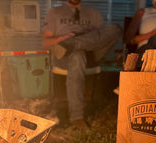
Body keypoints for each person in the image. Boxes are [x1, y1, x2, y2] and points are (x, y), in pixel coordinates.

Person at [42, 0, 122, 130]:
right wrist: (61, 40)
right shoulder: (55, 12)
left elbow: (100, 38)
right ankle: (77, 118)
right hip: (65, 55)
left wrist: (76, 41)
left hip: (91, 52)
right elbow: (46, 43)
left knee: (116, 29)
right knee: (78, 56)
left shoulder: (94, 13)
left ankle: (73, 43)